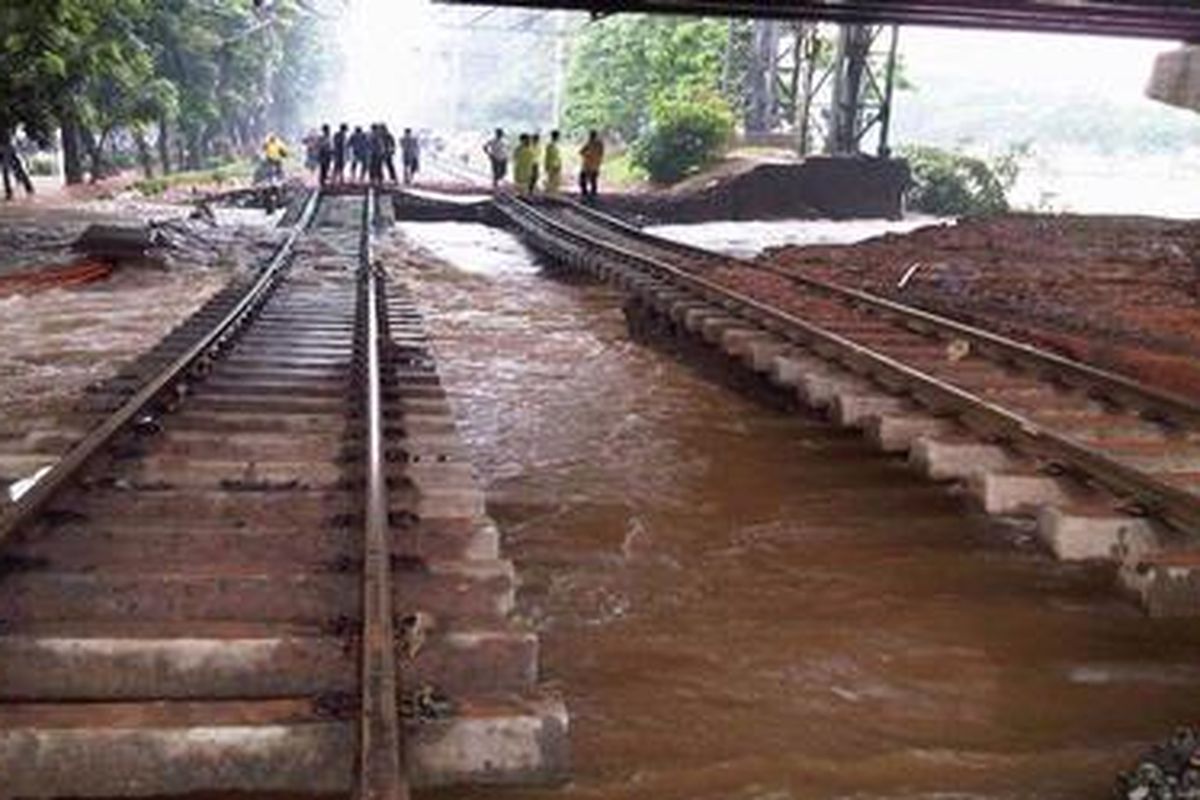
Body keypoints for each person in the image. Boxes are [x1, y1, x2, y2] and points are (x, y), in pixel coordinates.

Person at [1, 129, 34, 201]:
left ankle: (9, 192)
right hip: (7, 147)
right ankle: (28, 187)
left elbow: (7, 136)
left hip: (6, 147)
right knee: (17, 167)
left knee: (6, 169)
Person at [579, 129, 604, 200]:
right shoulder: (598, 144)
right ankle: (590, 194)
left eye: (591, 135)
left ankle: (586, 194)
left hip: (589, 165)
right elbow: (601, 154)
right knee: (591, 180)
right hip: (592, 165)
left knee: (587, 179)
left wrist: (587, 155)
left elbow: (581, 152)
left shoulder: (591, 143)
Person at [543, 130, 562, 194]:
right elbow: (548, 156)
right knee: (551, 179)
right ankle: (549, 192)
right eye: (557, 136)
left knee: (556, 180)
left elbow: (558, 156)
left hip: (556, 164)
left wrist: (559, 164)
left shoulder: (557, 145)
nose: (558, 138)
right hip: (551, 165)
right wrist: (547, 165)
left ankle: (552, 192)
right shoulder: (550, 145)